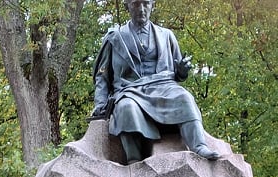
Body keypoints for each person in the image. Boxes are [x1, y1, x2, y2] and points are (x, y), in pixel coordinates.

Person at [90, 0, 222, 163]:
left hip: (163, 87)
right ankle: (134, 160)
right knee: (126, 107)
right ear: (127, 6)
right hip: (129, 91)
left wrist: (181, 71)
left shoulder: (166, 35)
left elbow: (178, 73)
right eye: (136, 4)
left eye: (146, 3)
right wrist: (100, 103)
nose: (141, 9)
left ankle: (199, 145)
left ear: (153, 5)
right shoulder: (115, 38)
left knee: (184, 97)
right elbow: (102, 76)